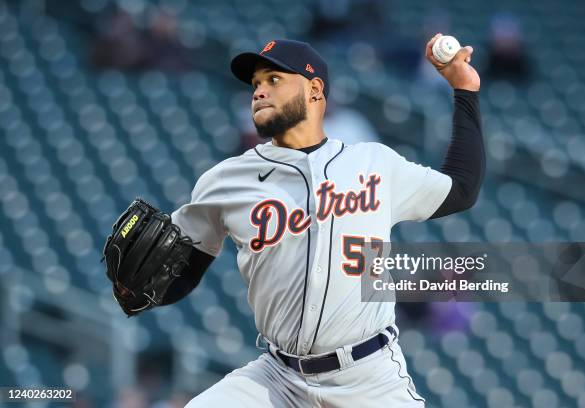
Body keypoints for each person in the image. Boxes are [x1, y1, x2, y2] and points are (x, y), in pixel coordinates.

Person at [164, 36, 484, 406]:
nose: (259, 92)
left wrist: (465, 89)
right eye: (256, 84)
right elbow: (180, 275)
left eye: (274, 80)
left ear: (315, 90)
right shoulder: (225, 181)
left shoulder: (372, 164)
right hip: (277, 377)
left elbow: (461, 189)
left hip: (368, 377)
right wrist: (133, 292)